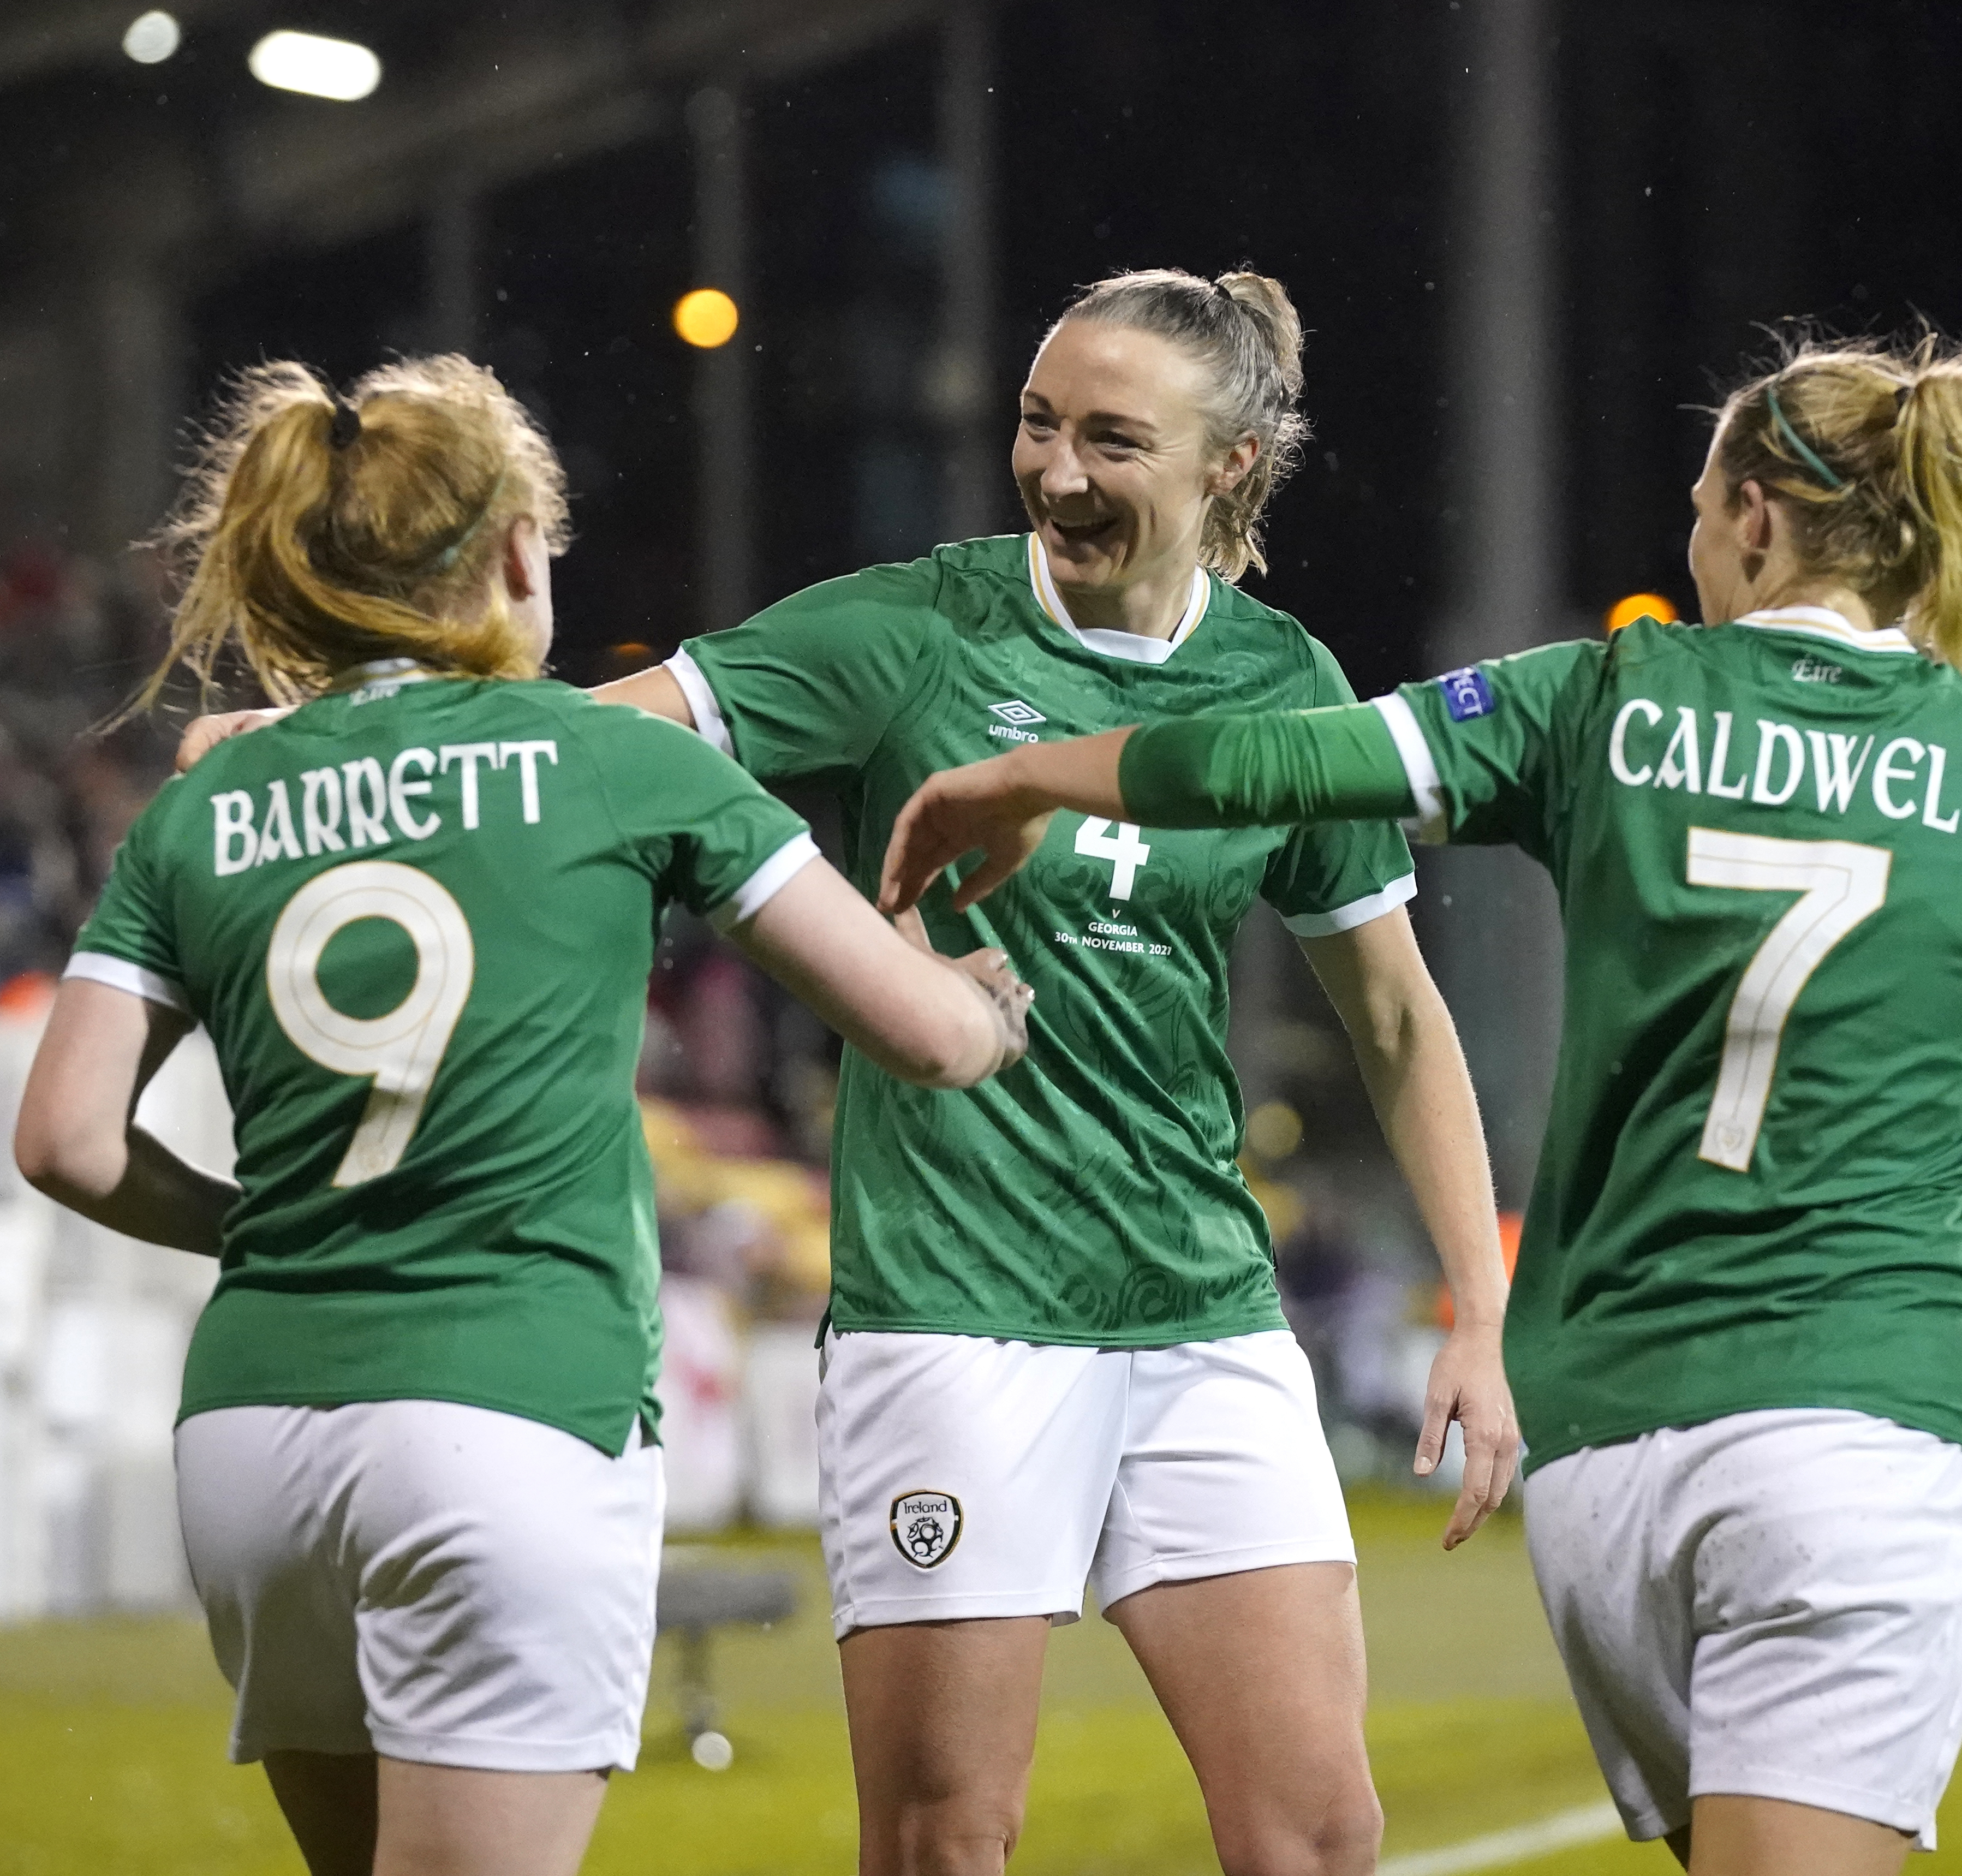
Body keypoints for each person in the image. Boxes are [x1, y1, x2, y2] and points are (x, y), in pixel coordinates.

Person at [188, 267, 1516, 1876]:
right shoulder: (907, 626)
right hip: (949, 1312)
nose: (1058, 468)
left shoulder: (1282, 682)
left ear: (1227, 465)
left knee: (1318, 1830)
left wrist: (1479, 1308)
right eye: (1038, 423)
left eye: (1113, 438)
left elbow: (1392, 1016)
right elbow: (582, 737)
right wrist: (327, 737)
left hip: (1200, 1313)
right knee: (945, 1835)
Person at [882, 330, 1962, 1876]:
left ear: (1757, 521)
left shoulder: (1607, 697)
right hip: (1856, 1427)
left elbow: (1278, 761)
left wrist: (1042, 772)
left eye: (1700, 498)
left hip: (1607, 1453)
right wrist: (1895, 1265)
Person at [15, 355, 1030, 1876]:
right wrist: (991, 993)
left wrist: (262, 1223)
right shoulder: (624, 763)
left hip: (251, 1435)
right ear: (508, 553)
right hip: (506, 1410)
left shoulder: (201, 805)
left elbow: (67, 1139)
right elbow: (930, 1034)